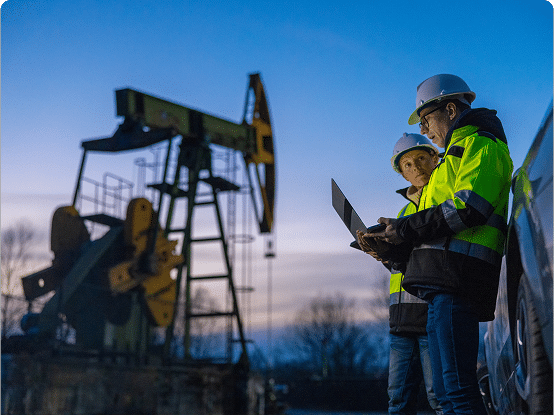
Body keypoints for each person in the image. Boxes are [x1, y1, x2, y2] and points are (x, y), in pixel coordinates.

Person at [364, 74, 513, 415]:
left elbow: (469, 207)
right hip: (441, 287)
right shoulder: (452, 159)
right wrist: (392, 246)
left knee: (457, 392)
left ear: (449, 109)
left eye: (427, 120)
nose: (427, 131)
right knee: (446, 396)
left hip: (458, 282)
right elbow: (434, 230)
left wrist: (404, 229)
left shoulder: (483, 145)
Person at [358, 133, 443, 415]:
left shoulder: (444, 199)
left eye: (420, 158)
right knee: (397, 401)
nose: (416, 167)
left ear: (435, 158)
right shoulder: (404, 212)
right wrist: (381, 252)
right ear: (402, 173)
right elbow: (404, 264)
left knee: (441, 398)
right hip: (401, 321)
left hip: (434, 315)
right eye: (407, 164)